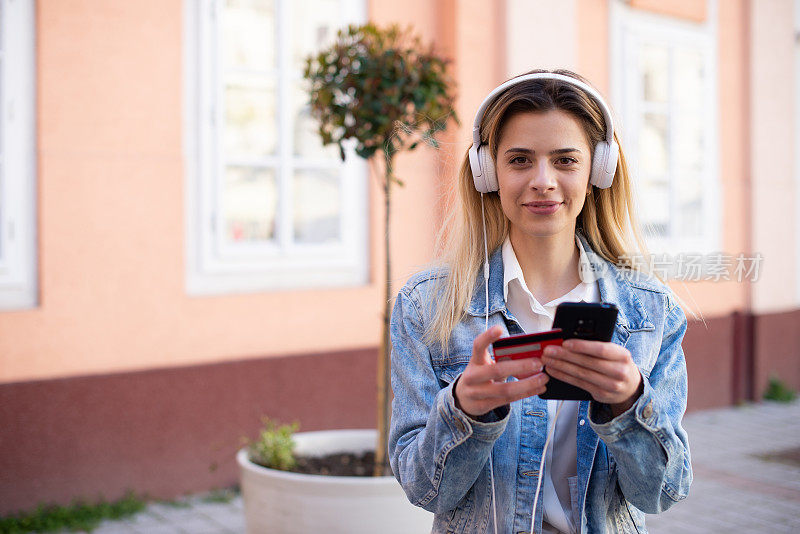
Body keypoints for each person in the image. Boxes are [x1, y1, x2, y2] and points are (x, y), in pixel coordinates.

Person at [388, 69, 692, 534]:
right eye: (520, 160)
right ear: (488, 173)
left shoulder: (653, 312)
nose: (543, 181)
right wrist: (465, 412)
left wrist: (631, 404)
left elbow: (662, 493)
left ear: (599, 170)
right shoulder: (426, 307)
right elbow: (424, 490)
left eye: (566, 160)